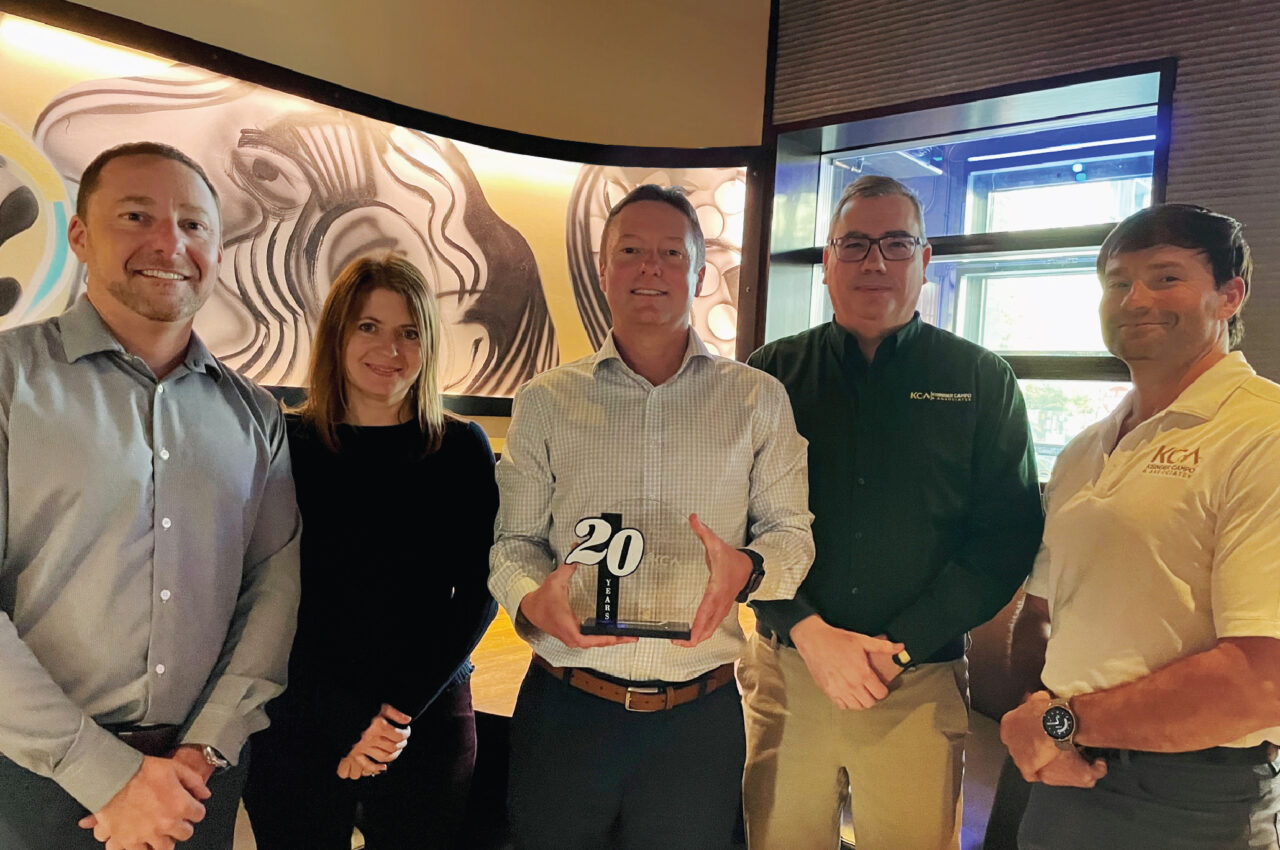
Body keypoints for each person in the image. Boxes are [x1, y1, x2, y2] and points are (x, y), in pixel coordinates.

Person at [489, 184, 814, 850]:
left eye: (672, 252)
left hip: (697, 723)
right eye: (630, 251)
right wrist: (530, 600)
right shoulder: (546, 401)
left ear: (699, 272)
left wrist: (747, 570)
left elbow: (792, 539)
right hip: (566, 709)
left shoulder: (758, 400)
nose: (651, 267)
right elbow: (512, 544)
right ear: (603, 271)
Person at [0, 141, 301, 850]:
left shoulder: (254, 415)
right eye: (136, 215)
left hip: (197, 782)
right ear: (80, 235)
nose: (169, 242)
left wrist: (205, 750)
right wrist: (104, 774)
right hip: (33, 777)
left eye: (195, 225)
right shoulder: (11, 383)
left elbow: (273, 590)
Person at [740, 174, 1044, 849]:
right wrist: (809, 631)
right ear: (827, 263)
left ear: (925, 260)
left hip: (919, 679)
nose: (875, 262)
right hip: (788, 671)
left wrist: (898, 648)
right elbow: (741, 525)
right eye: (853, 244)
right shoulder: (770, 375)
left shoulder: (980, 380)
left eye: (896, 243)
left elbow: (1006, 539)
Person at [1001, 203, 1280, 849]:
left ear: (1229, 295)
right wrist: (1040, 725)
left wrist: (1063, 724)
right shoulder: (1086, 448)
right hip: (1061, 778)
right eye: (1117, 282)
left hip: (1194, 800)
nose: (1135, 299)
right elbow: (1043, 611)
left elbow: (1261, 681)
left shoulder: (1261, 433)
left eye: (1166, 277)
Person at [242, 253, 498, 849]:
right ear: (337, 334)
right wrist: (348, 716)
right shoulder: (288, 443)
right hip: (300, 712)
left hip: (425, 710)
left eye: (410, 332)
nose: (391, 349)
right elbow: (268, 590)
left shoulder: (460, 448)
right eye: (369, 327)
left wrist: (395, 714)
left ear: (428, 346)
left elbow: (480, 593)